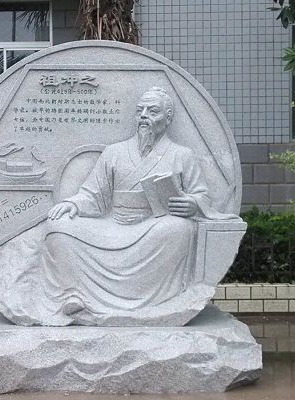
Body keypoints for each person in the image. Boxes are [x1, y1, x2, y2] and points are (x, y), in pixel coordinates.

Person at [37, 87, 221, 326]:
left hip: (154, 227)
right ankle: (74, 295)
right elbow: (93, 195)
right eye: (140, 110)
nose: (144, 116)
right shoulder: (114, 152)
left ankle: (152, 302)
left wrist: (192, 204)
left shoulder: (182, 155)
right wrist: (74, 204)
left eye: (152, 111)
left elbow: (201, 195)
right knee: (58, 229)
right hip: (113, 226)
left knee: (179, 228)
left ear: (168, 118)